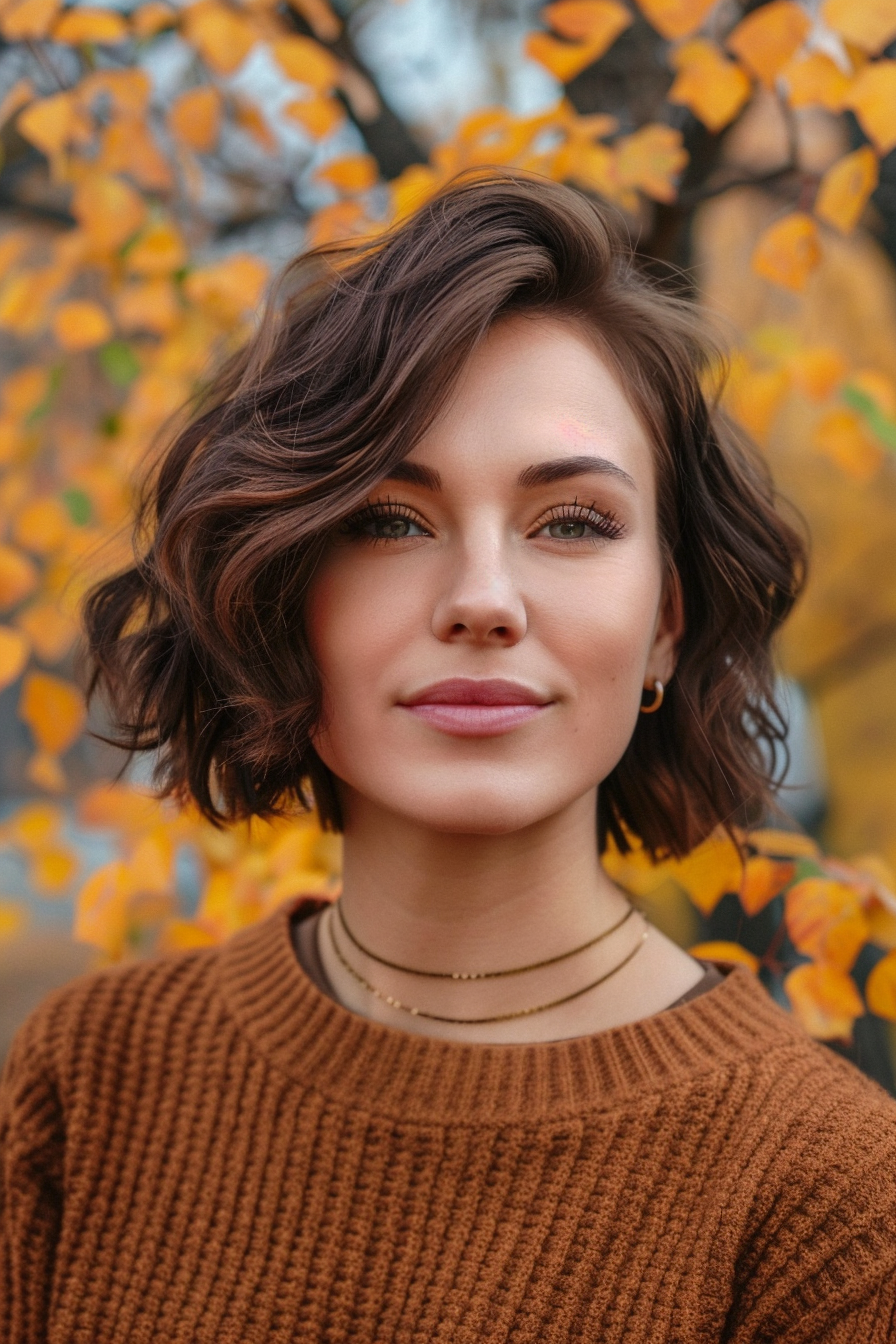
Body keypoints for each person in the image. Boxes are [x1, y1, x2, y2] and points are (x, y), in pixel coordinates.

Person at [2, 171, 895, 1343]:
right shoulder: (92, 1081)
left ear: (664, 622)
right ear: (281, 593)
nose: (483, 601)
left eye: (571, 522)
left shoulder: (822, 1197)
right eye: (387, 518)